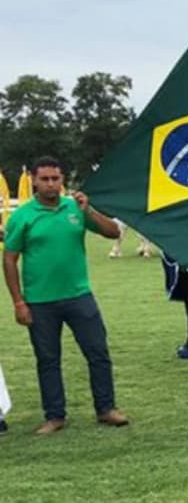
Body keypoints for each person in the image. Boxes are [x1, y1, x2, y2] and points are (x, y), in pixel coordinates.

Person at [2, 156, 129, 435]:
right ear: (34, 181)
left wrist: (89, 213)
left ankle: (106, 409)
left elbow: (114, 232)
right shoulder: (23, 216)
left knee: (97, 352)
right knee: (48, 360)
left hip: (79, 296)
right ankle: (55, 416)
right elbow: (9, 259)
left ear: (63, 180)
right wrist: (19, 301)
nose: (51, 184)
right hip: (39, 301)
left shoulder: (76, 207)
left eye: (55, 178)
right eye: (45, 179)